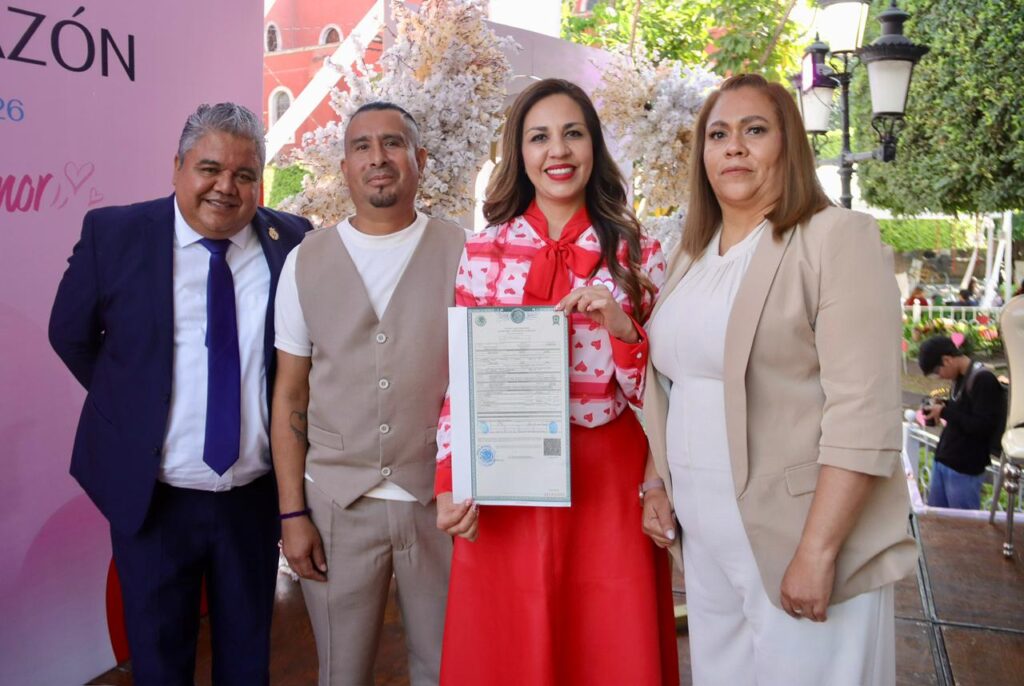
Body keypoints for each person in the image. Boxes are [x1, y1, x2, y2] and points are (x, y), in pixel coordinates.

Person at [640, 74, 917, 685]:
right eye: (718, 135)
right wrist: (655, 480)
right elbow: (675, 384)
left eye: (755, 130)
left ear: (789, 143)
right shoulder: (692, 255)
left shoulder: (835, 238)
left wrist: (818, 552)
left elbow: (863, 412)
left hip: (797, 538)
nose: (734, 147)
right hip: (706, 541)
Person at [48, 103, 312, 685]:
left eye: (244, 174)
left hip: (252, 499)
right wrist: (138, 407)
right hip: (154, 501)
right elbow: (69, 334)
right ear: (178, 167)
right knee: (160, 663)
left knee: (247, 660)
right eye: (210, 168)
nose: (226, 187)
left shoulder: (293, 240)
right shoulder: (115, 235)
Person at [433, 78, 678, 686]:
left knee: (608, 646)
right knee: (507, 645)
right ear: (519, 153)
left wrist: (622, 329)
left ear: (594, 145)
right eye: (539, 137)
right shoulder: (482, 252)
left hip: (610, 479)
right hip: (504, 474)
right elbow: (462, 380)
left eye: (573, 133)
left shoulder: (640, 253)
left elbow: (661, 391)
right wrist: (450, 478)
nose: (558, 151)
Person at [271, 101, 465, 686]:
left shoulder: (465, 252)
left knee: (446, 667)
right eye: (362, 146)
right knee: (342, 672)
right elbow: (290, 395)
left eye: (393, 143)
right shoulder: (304, 261)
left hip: (439, 503)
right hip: (336, 505)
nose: (377, 158)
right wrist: (292, 513)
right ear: (345, 167)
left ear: (420, 159)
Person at [919, 335, 1006, 509]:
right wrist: (944, 405)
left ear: (947, 360)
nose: (940, 377)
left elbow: (982, 426)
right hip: (944, 460)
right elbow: (964, 411)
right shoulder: (959, 378)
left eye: (937, 372)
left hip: (965, 468)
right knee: (938, 520)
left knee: (961, 522)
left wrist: (944, 412)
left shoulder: (983, 380)